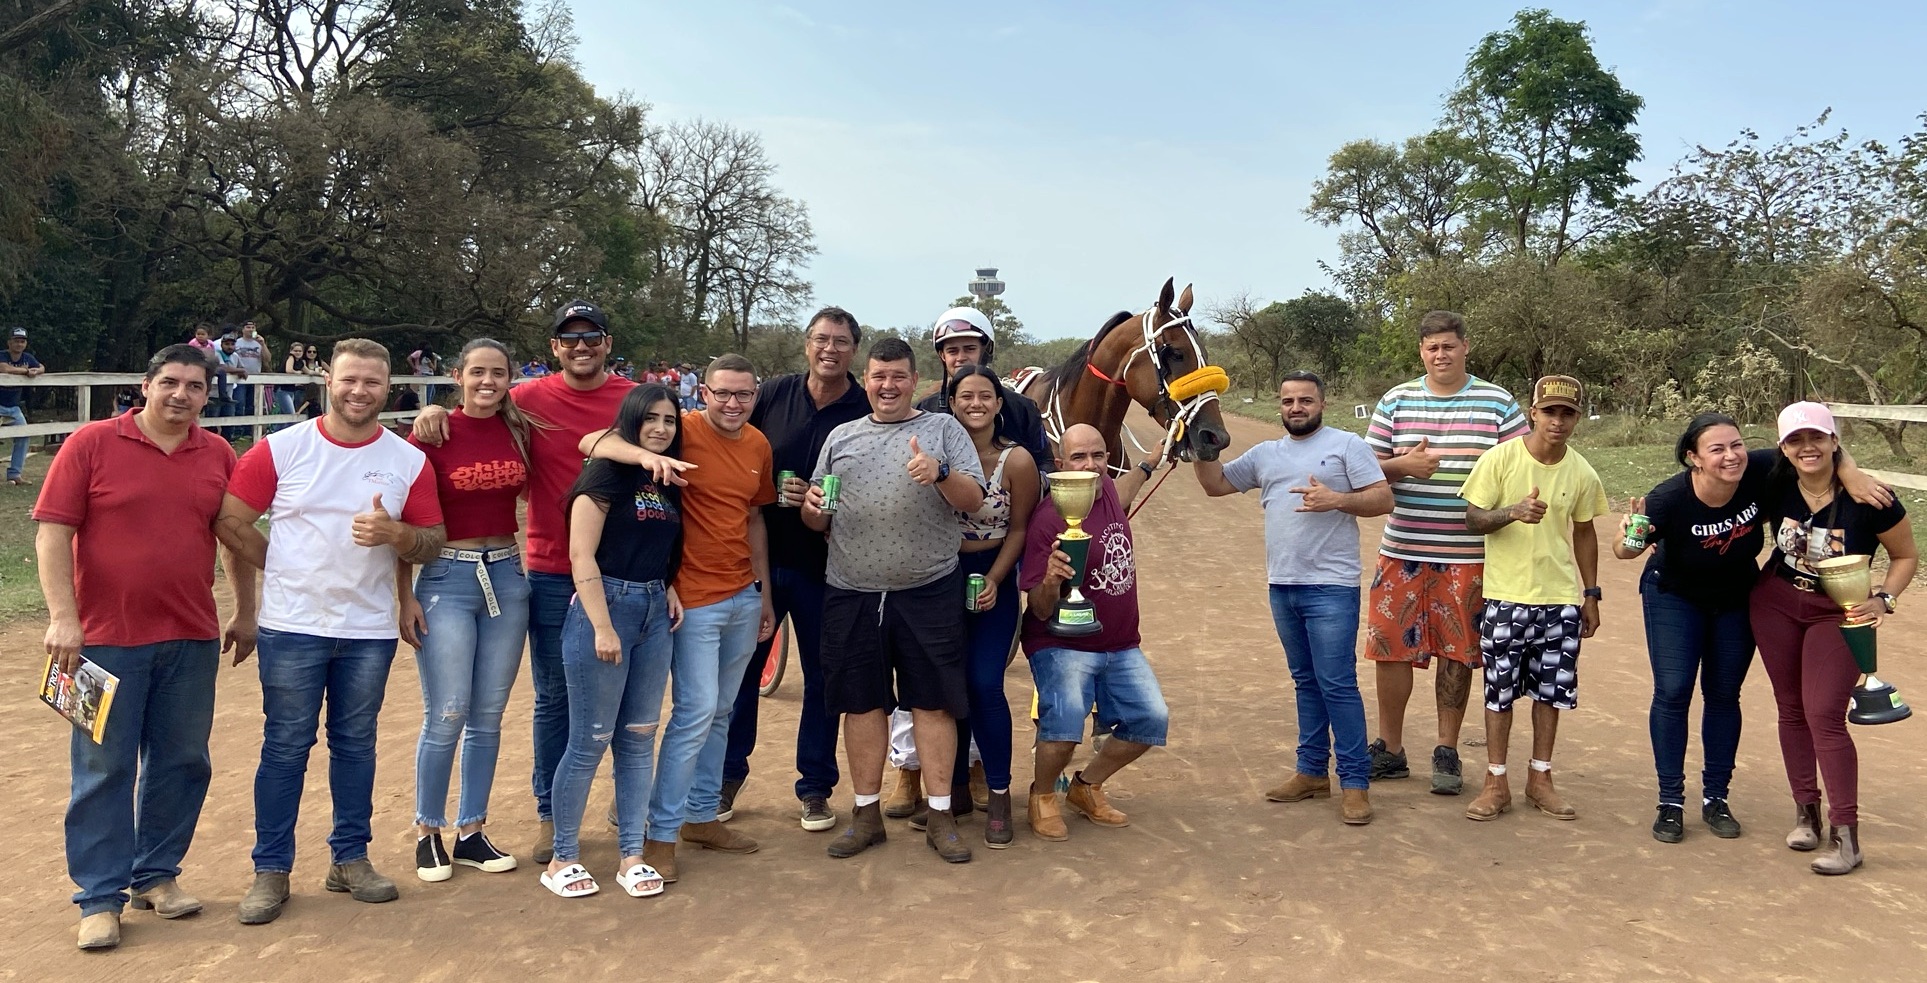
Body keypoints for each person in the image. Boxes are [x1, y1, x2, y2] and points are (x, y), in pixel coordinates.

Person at [215, 338, 447, 925]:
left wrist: (397, 536)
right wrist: (280, 567)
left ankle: (350, 858)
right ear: (328, 380)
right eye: (349, 379)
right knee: (286, 746)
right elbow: (230, 521)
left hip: (367, 629)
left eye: (372, 382)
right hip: (292, 627)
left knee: (355, 745)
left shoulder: (407, 461)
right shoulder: (281, 449)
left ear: (388, 387)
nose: (359, 391)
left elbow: (432, 540)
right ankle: (271, 869)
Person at [33, 345, 254, 950]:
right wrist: (63, 619)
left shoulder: (218, 454)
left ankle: (156, 875)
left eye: (195, 386)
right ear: (146, 385)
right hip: (99, 642)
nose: (181, 394)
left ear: (207, 395)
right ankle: (99, 898)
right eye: (171, 382)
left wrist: (246, 611)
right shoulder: (91, 444)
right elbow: (52, 532)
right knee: (103, 768)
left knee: (183, 761)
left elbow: (233, 538)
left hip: (190, 637)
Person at [411, 300, 641, 863]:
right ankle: (549, 813)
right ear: (554, 347)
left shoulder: (634, 400)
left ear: (608, 343)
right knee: (553, 697)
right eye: (570, 338)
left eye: (592, 336)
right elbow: (475, 407)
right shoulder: (527, 401)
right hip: (548, 569)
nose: (582, 346)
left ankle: (627, 808)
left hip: (623, 569)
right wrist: (434, 411)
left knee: (628, 694)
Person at [1613, 414, 1892, 843]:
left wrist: (1850, 472)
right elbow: (1624, 551)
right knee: (1673, 690)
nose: (1731, 456)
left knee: (1724, 693)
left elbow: (1812, 448)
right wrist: (1632, 535)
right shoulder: (1669, 498)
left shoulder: (1758, 467)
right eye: (1717, 449)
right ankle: (1670, 802)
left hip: (1735, 596)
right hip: (1675, 596)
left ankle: (1716, 798)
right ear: (1693, 458)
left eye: (1736, 444)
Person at [580, 353, 776, 880]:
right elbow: (592, 442)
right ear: (703, 393)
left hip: (742, 593)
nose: (732, 403)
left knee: (722, 711)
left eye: (743, 394)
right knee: (695, 712)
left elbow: (753, 518)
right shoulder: (681, 429)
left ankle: (701, 815)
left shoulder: (758, 444)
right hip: (692, 598)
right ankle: (660, 833)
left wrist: (764, 593)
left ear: (755, 396)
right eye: (722, 393)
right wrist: (644, 457)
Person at [801, 337, 985, 862]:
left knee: (933, 703)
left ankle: (941, 814)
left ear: (915, 380)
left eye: (898, 376)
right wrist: (812, 507)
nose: (888, 385)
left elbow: (974, 501)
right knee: (861, 705)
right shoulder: (841, 437)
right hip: (852, 590)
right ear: (865, 381)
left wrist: (940, 473)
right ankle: (866, 815)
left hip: (929, 589)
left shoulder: (943, 430)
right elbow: (815, 518)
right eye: (879, 376)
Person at [1194, 371, 1390, 825]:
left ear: (1322, 403)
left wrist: (1337, 500)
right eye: (1288, 401)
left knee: (1337, 683)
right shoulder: (1266, 454)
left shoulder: (1347, 446)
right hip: (1283, 585)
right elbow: (1215, 484)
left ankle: (1355, 784)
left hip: (1332, 587)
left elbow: (1382, 499)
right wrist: (1201, 447)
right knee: (1305, 681)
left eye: (1305, 400)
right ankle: (1311, 772)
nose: (1296, 408)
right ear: (1280, 405)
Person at [1362, 311, 1528, 794]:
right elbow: (1365, 467)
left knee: (1458, 653)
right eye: (1432, 347)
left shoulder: (1497, 403)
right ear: (1421, 351)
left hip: (1469, 554)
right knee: (1390, 648)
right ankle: (1390, 747)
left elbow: (1520, 466)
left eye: (1449, 346)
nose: (1441, 355)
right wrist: (1405, 465)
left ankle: (1446, 751)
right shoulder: (1396, 400)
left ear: (1465, 347)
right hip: (1402, 549)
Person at [1750, 402, 1915, 876]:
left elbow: (1906, 556)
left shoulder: (1872, 498)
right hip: (1777, 603)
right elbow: (1717, 467)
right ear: (1783, 447)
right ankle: (1806, 813)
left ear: (1834, 441)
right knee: (1791, 708)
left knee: (1824, 714)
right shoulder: (1775, 480)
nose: (1807, 447)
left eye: (1817, 438)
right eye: (1795, 440)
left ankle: (1847, 835)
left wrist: (1884, 599)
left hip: (1841, 613)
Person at [723, 307, 871, 832]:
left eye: (841, 341)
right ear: (807, 344)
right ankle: (726, 776)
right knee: (740, 673)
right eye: (821, 339)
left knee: (823, 679)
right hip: (758, 560)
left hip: (827, 568)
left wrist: (827, 502)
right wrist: (768, 489)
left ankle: (815, 787)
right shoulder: (773, 394)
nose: (830, 349)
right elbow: (734, 449)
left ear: (854, 350)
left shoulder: (864, 407)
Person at [397, 339, 538, 882]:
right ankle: (427, 830)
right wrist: (404, 594)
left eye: (498, 373)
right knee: (448, 711)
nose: (487, 382)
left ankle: (472, 830)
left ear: (510, 379)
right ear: (457, 375)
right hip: (447, 577)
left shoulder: (519, 429)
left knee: (488, 714)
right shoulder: (432, 434)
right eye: (477, 371)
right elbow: (405, 518)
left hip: (506, 573)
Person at [543, 384, 688, 900]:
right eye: (651, 419)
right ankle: (563, 856)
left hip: (652, 611)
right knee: (590, 739)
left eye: (669, 420)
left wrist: (666, 586)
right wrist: (602, 626)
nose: (661, 429)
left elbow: (655, 543)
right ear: (630, 421)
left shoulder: (666, 478)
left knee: (639, 737)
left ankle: (631, 854)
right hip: (605, 607)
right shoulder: (604, 473)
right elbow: (581, 555)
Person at [1459, 376, 1609, 823]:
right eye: (1549, 412)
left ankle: (1540, 778)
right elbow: (1472, 519)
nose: (1557, 422)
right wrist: (1513, 512)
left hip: (1559, 600)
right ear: (1533, 413)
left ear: (1577, 418)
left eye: (1567, 413)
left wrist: (1591, 594)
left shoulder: (1581, 472)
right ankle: (1495, 781)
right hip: (1506, 596)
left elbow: (1585, 532)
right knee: (1499, 692)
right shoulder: (1500, 459)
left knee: (1551, 692)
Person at [1021, 423, 1171, 842]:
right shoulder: (1049, 519)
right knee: (1066, 724)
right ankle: (1042, 795)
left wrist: (1148, 463)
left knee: (1150, 718)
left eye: (1098, 456)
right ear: (1060, 464)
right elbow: (1039, 608)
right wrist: (1051, 579)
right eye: (1079, 458)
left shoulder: (1104, 489)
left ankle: (1086, 787)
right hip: (1062, 644)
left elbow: (1124, 490)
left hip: (1120, 643)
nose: (1091, 466)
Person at [933, 365, 1039, 846]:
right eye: (965, 396)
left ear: (998, 403)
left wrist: (996, 579)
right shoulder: (936, 456)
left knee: (983, 683)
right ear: (951, 403)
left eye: (985, 396)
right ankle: (953, 791)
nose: (975, 404)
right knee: (945, 686)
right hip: (940, 578)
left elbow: (1020, 529)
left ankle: (998, 793)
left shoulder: (1016, 461)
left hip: (993, 573)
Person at [917, 306, 1054, 473]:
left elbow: (1045, 463)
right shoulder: (925, 410)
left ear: (985, 350)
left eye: (970, 349)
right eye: (952, 351)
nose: (961, 357)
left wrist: (1028, 482)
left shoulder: (1022, 410)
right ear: (942, 356)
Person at [2, 326, 46, 484]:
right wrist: (26, 372)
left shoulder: (28, 358)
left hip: (13, 407)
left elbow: (41, 367)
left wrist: (36, 371)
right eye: (16, 341)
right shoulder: (2, 355)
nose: (19, 344)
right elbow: (4, 368)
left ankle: (15, 474)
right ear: (9, 342)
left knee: (24, 434)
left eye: (22, 341)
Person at [233, 321, 269, 420]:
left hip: (255, 378)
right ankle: (238, 427)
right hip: (240, 377)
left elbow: (267, 359)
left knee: (252, 405)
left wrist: (263, 344)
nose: (251, 329)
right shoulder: (237, 342)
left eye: (253, 327)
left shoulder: (259, 343)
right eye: (248, 327)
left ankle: (248, 428)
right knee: (239, 403)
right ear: (243, 329)